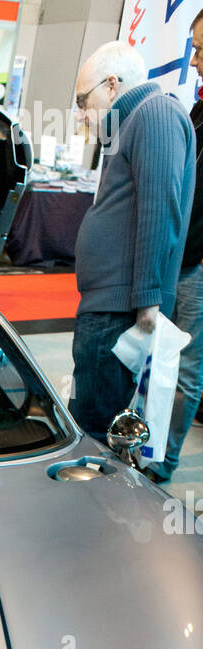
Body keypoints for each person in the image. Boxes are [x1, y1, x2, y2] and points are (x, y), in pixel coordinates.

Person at [70, 41, 195, 447]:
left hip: (119, 311)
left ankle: (91, 510)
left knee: (96, 432)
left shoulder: (154, 113)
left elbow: (160, 211)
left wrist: (148, 299)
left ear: (111, 85)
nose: (81, 114)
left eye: (82, 101)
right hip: (109, 306)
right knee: (91, 420)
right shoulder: (133, 122)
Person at [156, 7, 203, 485]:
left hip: (198, 265)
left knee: (186, 370)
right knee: (168, 363)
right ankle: (152, 449)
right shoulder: (200, 106)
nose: (196, 62)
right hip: (183, 258)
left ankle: (164, 463)